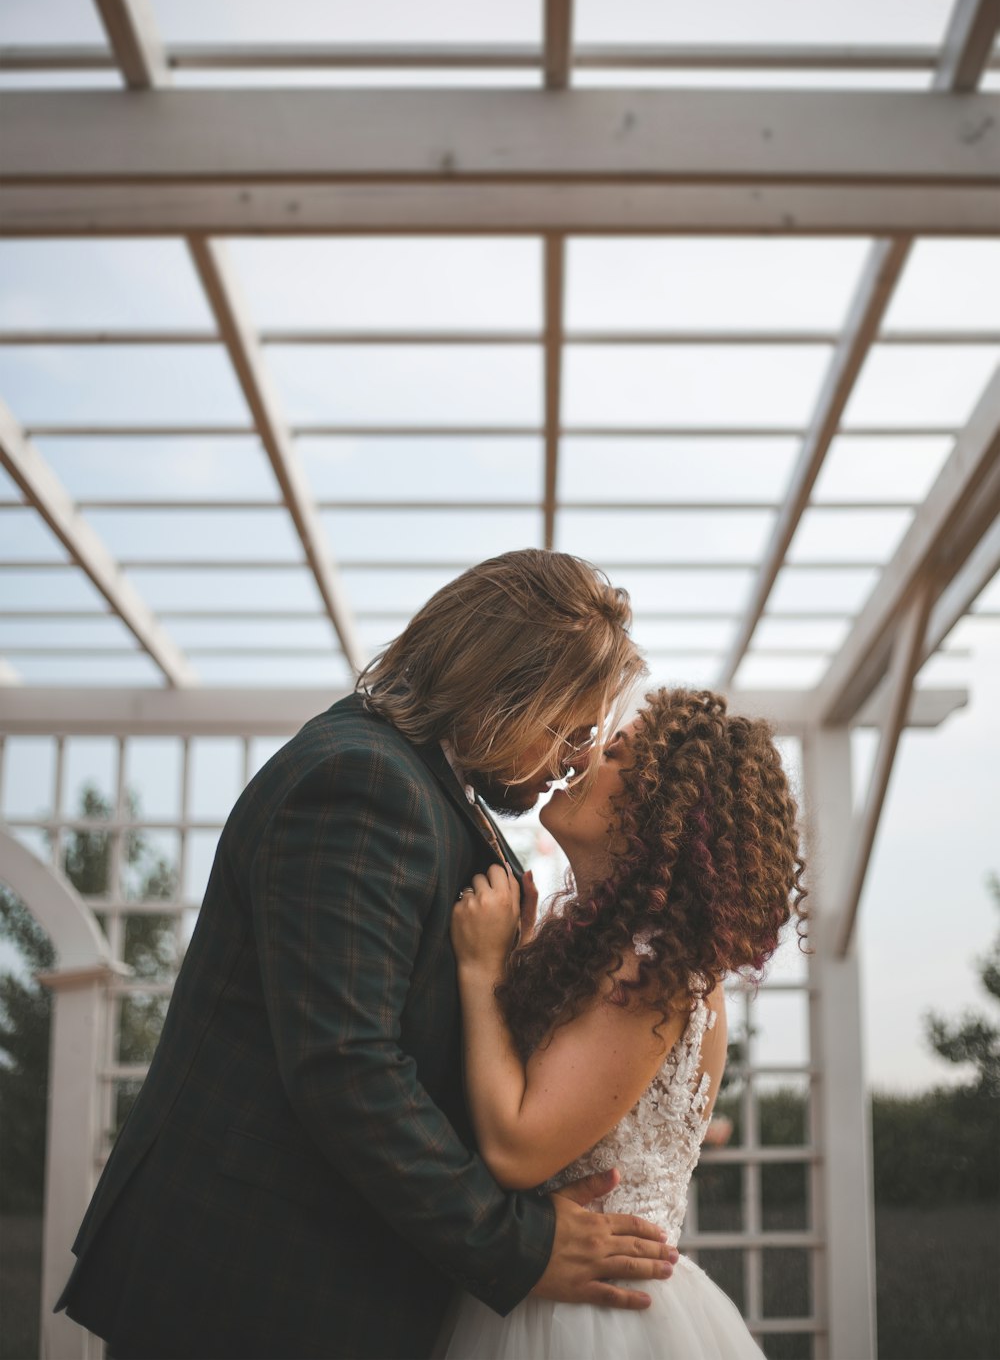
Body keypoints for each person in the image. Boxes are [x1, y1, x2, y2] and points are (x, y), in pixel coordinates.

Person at [56, 550, 681, 1360]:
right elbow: (345, 1064)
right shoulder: (360, 780)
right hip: (255, 1291)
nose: (572, 761)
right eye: (568, 729)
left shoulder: (427, 788)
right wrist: (516, 1244)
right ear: (501, 684)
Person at [442, 686, 806, 1359]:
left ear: (662, 812)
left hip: (592, 1322)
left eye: (612, 752)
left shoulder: (654, 968)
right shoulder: (614, 951)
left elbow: (518, 1150)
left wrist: (480, 972)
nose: (579, 757)